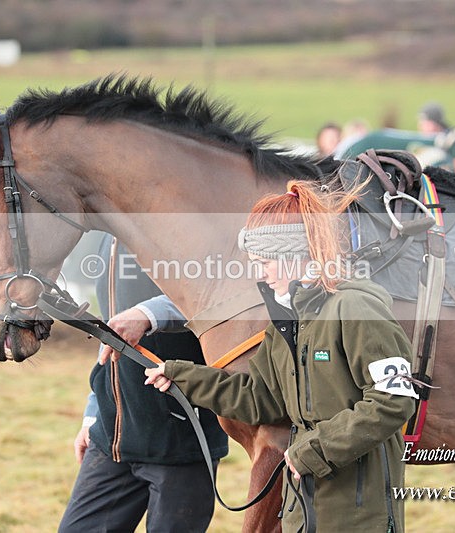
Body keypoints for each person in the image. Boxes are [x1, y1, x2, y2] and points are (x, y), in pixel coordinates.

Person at [145, 182, 416, 532]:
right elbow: (260, 399)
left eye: (264, 262)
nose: (259, 274)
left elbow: (393, 401)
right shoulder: (287, 321)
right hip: (301, 509)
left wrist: (313, 452)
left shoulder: (356, 308)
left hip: (358, 516)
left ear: (293, 255)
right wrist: (183, 377)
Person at [59, 233, 229, 533]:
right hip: (111, 439)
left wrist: (148, 314)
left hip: (179, 442)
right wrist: (93, 414)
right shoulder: (107, 237)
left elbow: (218, 291)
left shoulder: (183, 220)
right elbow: (112, 332)